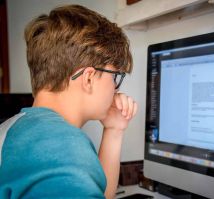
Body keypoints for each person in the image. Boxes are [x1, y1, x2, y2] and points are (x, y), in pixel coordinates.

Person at [0, 4, 137, 199]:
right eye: (114, 77)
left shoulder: (14, 127)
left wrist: (114, 130)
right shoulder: (62, 148)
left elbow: (97, 193)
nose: (116, 89)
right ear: (88, 78)